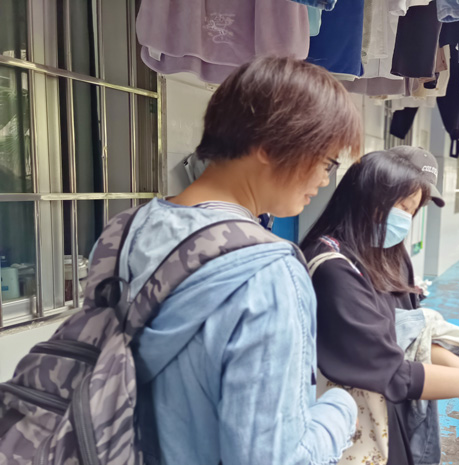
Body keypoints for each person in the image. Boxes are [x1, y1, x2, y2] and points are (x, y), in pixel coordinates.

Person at [123, 57, 362, 464]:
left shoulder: (128, 229)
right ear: (269, 146)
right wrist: (340, 409)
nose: (325, 180)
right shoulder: (269, 274)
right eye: (326, 162)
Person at [301, 146, 459, 465]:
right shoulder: (333, 269)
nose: (406, 218)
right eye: (402, 206)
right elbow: (392, 374)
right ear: (367, 197)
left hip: (393, 413)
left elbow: (410, 334)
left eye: (413, 209)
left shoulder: (389, 254)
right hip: (350, 422)